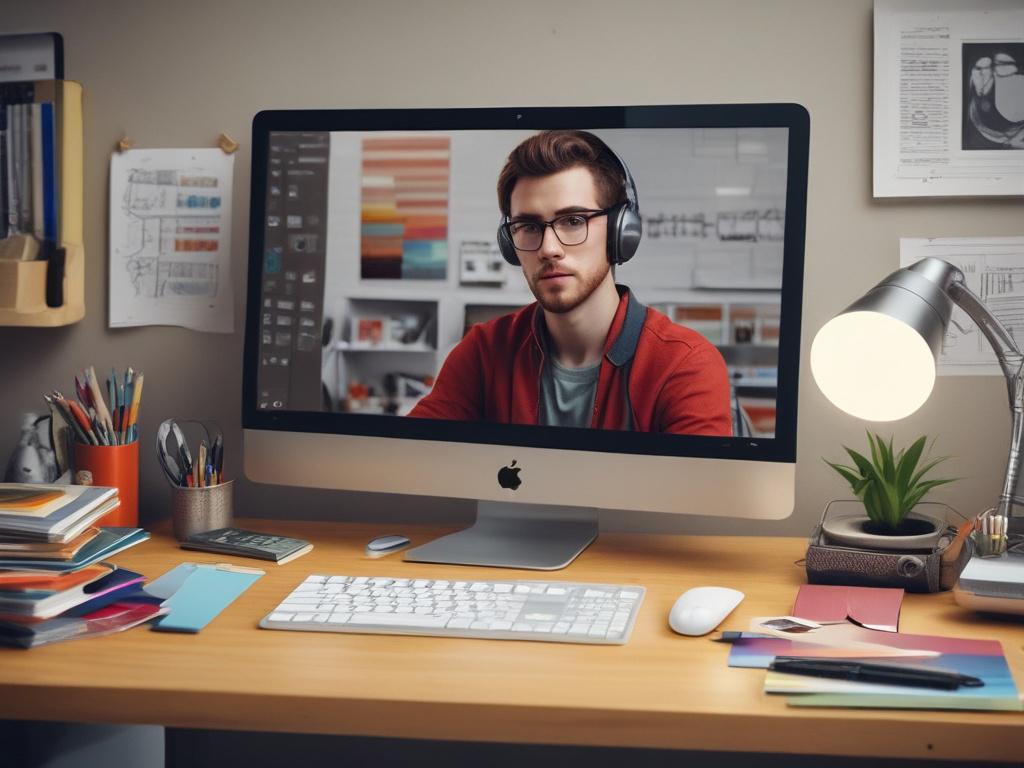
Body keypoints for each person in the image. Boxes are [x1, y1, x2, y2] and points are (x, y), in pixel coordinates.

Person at [409, 130, 732, 435]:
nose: (549, 248)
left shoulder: (684, 364)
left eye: (574, 221)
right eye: (528, 226)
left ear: (621, 232)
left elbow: (697, 492)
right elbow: (410, 460)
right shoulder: (484, 352)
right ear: (510, 243)